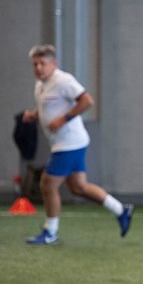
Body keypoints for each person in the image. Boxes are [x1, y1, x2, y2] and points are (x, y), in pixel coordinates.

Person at [23, 44, 133, 245]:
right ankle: (121, 210)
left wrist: (63, 120)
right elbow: (49, 107)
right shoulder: (40, 84)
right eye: (35, 64)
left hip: (69, 143)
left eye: (43, 63)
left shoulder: (63, 80)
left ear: (54, 64)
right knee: (78, 187)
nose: (38, 67)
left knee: (47, 185)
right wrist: (34, 114)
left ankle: (51, 232)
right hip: (62, 142)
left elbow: (86, 101)